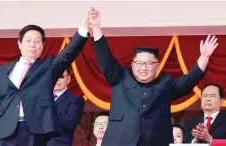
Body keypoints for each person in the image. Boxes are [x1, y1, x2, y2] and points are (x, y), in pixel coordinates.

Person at [88, 8, 219, 146]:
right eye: (139, 63)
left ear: (157, 66)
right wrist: (96, 27)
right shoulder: (120, 77)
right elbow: (105, 58)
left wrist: (204, 57)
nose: (144, 68)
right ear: (132, 65)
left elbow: (187, 82)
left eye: (149, 64)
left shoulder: (165, 84)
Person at [0, 11, 91, 146]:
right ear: (19, 43)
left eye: (37, 41)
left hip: (35, 133)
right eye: (28, 41)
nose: (33, 45)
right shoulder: (0, 72)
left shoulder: (48, 68)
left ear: (42, 46)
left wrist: (84, 27)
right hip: (4, 133)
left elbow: (68, 53)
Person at [47, 69, 85, 146]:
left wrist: (47, 115)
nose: (57, 80)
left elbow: (71, 122)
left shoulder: (75, 99)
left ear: (68, 79)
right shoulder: (40, 98)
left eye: (61, 76)